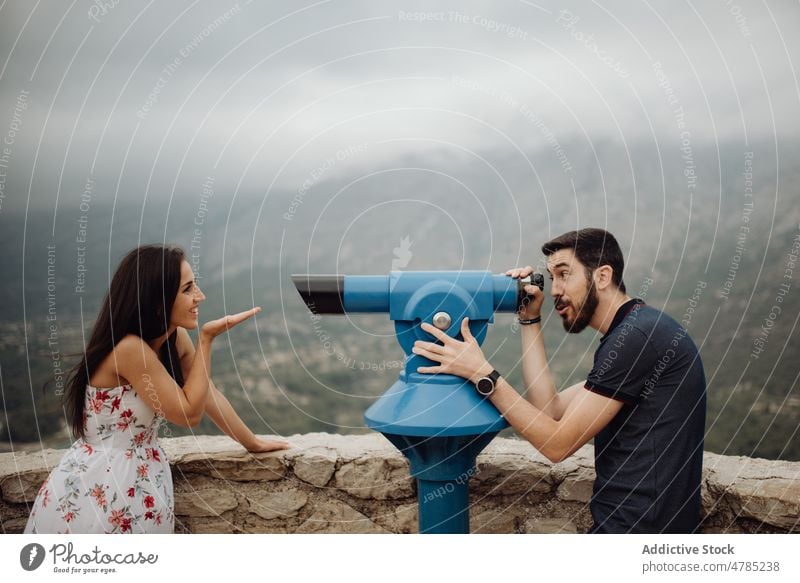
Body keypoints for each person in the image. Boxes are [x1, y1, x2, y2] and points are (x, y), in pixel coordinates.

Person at [412, 228, 707, 533]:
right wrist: (528, 318)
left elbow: (557, 445)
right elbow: (550, 410)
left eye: (565, 274)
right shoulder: (635, 331)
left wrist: (481, 373)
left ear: (602, 276)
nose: (554, 290)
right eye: (552, 278)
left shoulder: (638, 338)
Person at [25, 244, 288, 534]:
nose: (200, 296)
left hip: (143, 477)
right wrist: (207, 341)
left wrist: (252, 443)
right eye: (188, 289)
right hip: (104, 483)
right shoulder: (129, 350)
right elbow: (189, 414)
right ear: (158, 300)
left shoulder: (172, 339)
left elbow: (206, 393)